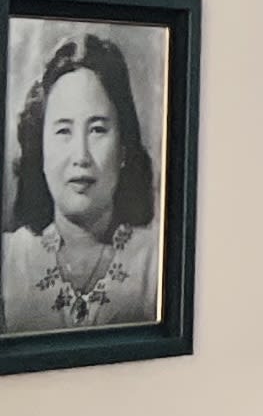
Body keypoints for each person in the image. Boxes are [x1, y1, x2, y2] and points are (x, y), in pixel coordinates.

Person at [4, 31, 163, 333]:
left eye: (98, 130)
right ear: (41, 148)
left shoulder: (157, 262)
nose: (81, 156)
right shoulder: (10, 260)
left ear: (124, 149)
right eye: (63, 131)